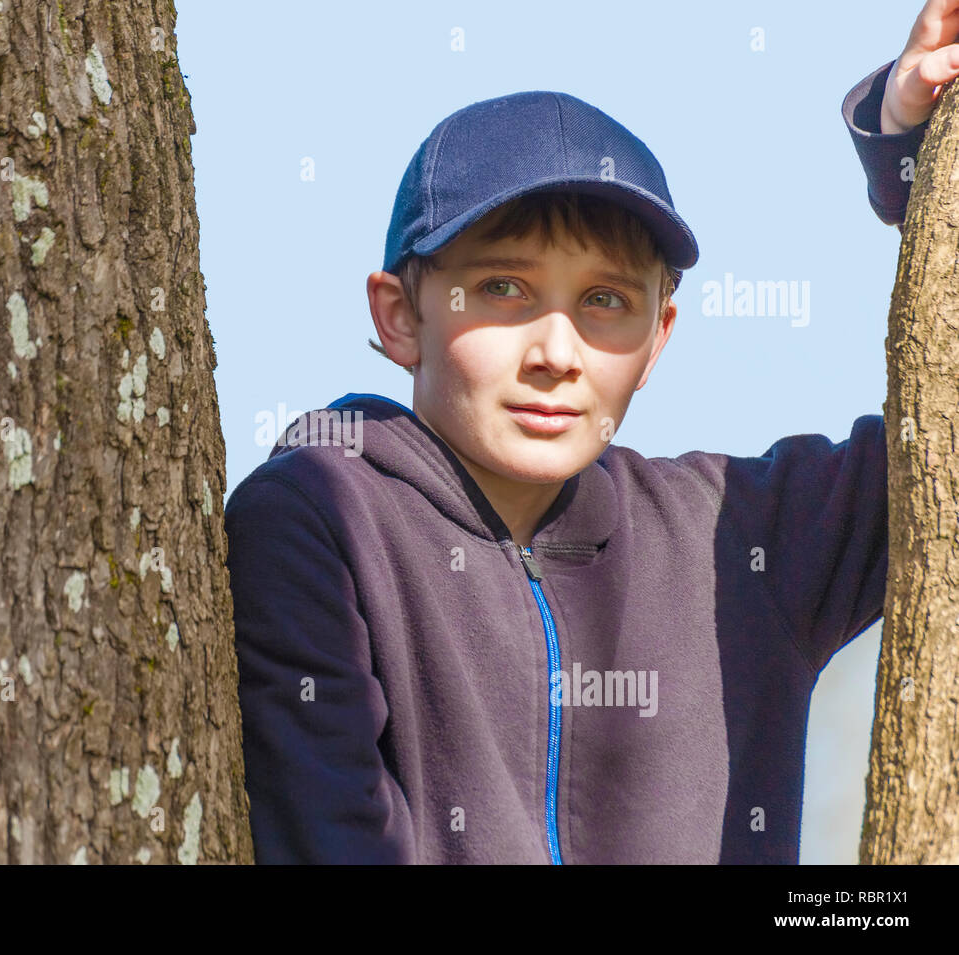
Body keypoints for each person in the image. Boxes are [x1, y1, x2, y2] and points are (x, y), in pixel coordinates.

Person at [224, 6, 958, 863]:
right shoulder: (319, 518)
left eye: (605, 301)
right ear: (399, 316)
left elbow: (943, 436)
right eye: (503, 288)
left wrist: (915, 156)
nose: (556, 353)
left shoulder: (741, 535)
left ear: (658, 339)